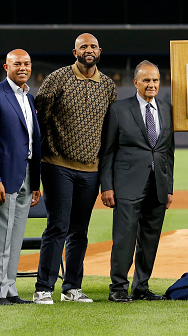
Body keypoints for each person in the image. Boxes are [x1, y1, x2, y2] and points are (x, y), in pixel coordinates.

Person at [33, 33, 117, 304]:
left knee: (79, 230)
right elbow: (40, 120)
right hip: (58, 165)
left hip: (91, 170)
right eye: (84, 47)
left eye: (93, 46)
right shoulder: (57, 78)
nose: (88, 50)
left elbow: (109, 132)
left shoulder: (107, 85)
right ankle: (43, 287)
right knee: (58, 226)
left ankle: (71, 288)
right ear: (75, 52)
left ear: (99, 51)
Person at [100, 60, 175, 303]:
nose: (151, 84)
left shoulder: (166, 109)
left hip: (158, 184)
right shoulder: (119, 109)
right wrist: (107, 186)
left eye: (155, 80)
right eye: (146, 80)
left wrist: (169, 187)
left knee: (150, 239)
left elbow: (168, 152)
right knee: (124, 238)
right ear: (136, 83)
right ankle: (118, 288)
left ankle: (141, 287)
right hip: (126, 184)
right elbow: (108, 151)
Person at [0, 49, 42, 306]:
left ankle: (9, 289)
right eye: (17, 64)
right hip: (4, 177)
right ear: (6, 67)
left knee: (15, 236)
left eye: (27, 63)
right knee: (0, 236)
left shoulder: (28, 97)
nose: (23, 68)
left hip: (27, 174)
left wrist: (36, 181)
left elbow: (33, 140)